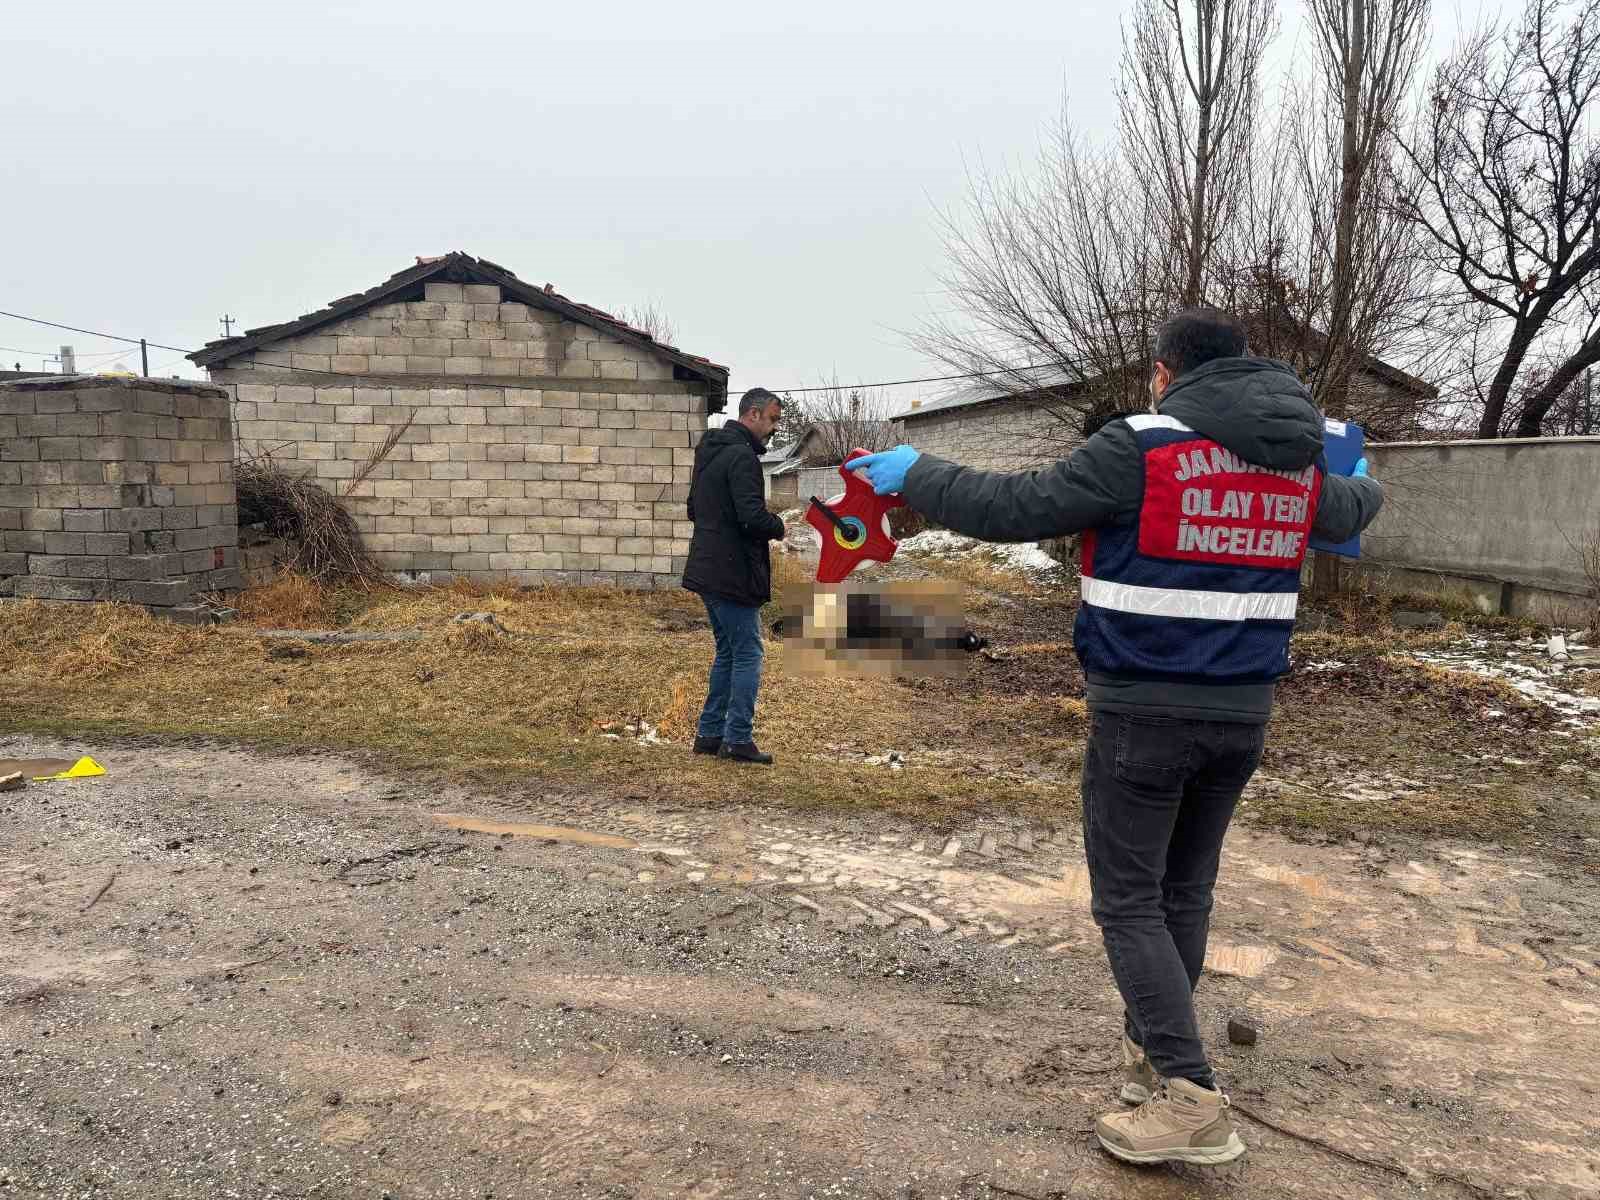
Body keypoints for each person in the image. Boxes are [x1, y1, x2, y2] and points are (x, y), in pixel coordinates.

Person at [851, 309, 1383, 1167]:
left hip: (1143, 709)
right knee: (1185, 892)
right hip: (1243, 714)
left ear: (1167, 374)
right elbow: (1362, 502)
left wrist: (918, 471)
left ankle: (1188, 1093)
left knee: (1130, 901)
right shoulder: (1299, 464)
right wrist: (1354, 465)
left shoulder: (1143, 447)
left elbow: (1015, 506)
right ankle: (1148, 1061)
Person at [682, 387, 787, 765]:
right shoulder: (742, 456)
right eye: (773, 419)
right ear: (754, 414)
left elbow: (694, 509)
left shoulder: (710, 451)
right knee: (748, 654)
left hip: (708, 568)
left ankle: (710, 736)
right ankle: (737, 739)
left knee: (728, 652)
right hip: (732, 572)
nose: (774, 428)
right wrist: (779, 525)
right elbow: (751, 517)